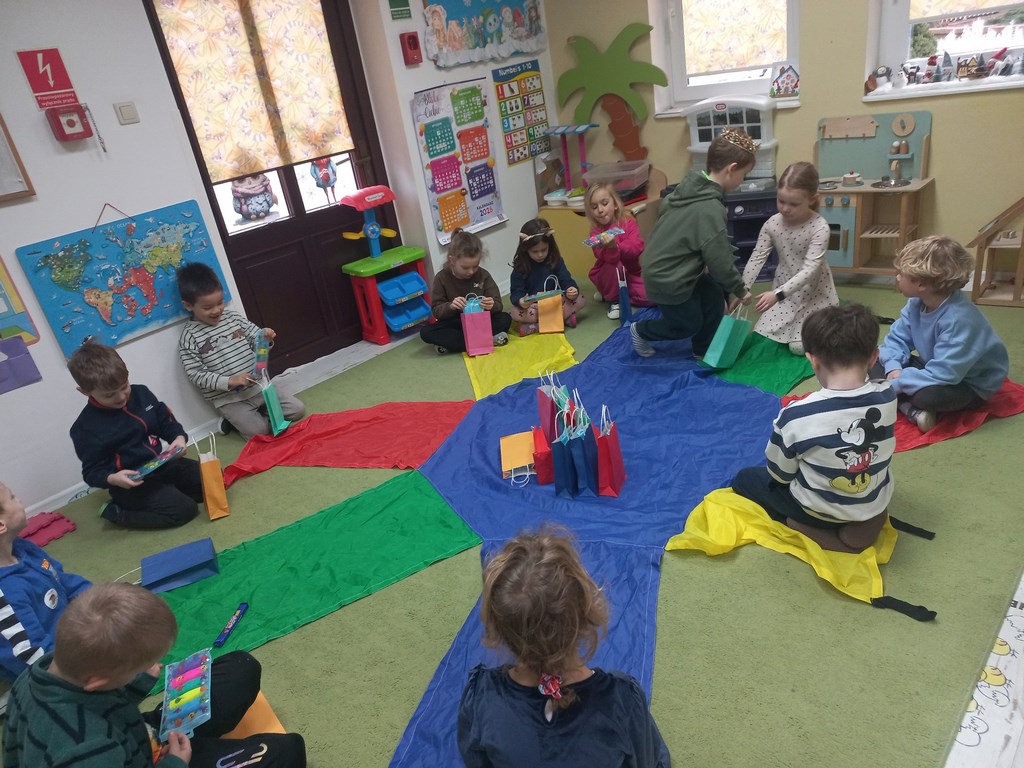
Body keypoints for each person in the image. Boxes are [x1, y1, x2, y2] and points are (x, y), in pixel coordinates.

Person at [2, 582, 306, 768]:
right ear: (98, 681)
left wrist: (136, 681)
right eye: (139, 667)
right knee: (286, 751)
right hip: (142, 756)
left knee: (241, 667)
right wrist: (174, 762)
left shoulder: (41, 673)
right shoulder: (89, 751)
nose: (155, 666)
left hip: (135, 736)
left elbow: (96, 703)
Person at [458, 527, 670, 767]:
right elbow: (644, 760)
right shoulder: (621, 701)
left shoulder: (482, 697)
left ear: (500, 631)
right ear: (585, 613)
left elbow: (476, 759)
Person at [731, 304, 896, 553]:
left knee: (746, 479)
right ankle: (866, 517)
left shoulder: (796, 415)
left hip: (817, 510)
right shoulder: (888, 395)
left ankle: (805, 525)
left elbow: (780, 475)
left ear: (813, 360)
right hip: (871, 497)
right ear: (874, 357)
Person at [630, 128, 755, 359]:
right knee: (687, 324)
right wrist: (739, 289)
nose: (743, 181)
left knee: (713, 294)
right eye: (744, 175)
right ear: (731, 169)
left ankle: (702, 349)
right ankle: (641, 330)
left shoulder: (688, 188)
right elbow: (719, 261)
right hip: (667, 278)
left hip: (681, 270)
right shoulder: (710, 209)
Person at [874, 235, 1009, 433]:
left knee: (927, 397)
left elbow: (945, 373)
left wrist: (896, 382)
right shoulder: (916, 303)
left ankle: (904, 404)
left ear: (921, 284)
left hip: (967, 382)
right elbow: (897, 339)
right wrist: (893, 368)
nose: (897, 278)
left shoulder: (958, 320)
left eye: (901, 274)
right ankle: (909, 408)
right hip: (936, 366)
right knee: (871, 357)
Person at [68, 341, 201, 529]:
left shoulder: (141, 393)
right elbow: (92, 472)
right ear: (84, 392)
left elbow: (166, 422)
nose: (121, 397)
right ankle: (118, 513)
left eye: (124, 387)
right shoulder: (85, 428)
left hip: (161, 465)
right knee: (186, 510)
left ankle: (169, 495)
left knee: (212, 480)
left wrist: (178, 438)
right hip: (131, 485)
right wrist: (112, 478)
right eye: (109, 395)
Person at [176, 262, 306, 440]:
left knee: (297, 410)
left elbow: (256, 340)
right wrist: (230, 381)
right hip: (230, 400)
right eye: (207, 307)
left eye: (220, 303)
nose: (216, 310)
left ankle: (258, 415)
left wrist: (265, 337)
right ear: (188, 306)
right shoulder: (190, 337)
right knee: (259, 433)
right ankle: (231, 421)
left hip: (260, 388)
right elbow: (196, 374)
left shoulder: (233, 318)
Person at [741, 161, 839, 355]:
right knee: (763, 334)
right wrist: (743, 287)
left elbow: (809, 271)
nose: (785, 208)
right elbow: (758, 256)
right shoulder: (772, 223)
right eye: (781, 201)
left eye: (793, 204)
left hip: (813, 292)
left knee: (798, 348)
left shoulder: (819, 227)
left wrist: (777, 294)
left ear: (812, 199)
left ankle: (830, 322)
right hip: (785, 288)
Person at [0, 481, 90, 684]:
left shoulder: (23, 548)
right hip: (52, 666)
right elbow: (34, 659)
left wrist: (102, 600)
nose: (19, 499)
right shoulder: (7, 595)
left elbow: (63, 581)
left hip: (71, 632)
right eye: (12, 497)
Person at [420, 227, 511, 353]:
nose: (471, 271)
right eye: (465, 267)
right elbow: (436, 311)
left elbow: (498, 305)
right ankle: (486, 340)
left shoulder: (483, 275)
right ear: (452, 260)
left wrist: (491, 305)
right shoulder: (441, 278)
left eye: (475, 266)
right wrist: (451, 306)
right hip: (456, 323)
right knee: (426, 332)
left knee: (505, 318)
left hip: (480, 321)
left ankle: (458, 344)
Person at [584, 182, 651, 320]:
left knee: (652, 296)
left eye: (604, 203)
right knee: (616, 266)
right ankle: (613, 300)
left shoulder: (629, 223)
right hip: (607, 276)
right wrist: (611, 248)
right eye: (594, 207)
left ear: (615, 204)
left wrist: (618, 246)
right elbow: (608, 258)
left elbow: (637, 247)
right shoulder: (596, 233)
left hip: (630, 275)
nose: (600, 210)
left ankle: (614, 294)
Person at [508, 219, 586, 336]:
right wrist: (521, 301)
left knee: (581, 298)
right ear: (525, 249)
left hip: (555, 303)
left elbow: (565, 279)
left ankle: (536, 326)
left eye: (544, 250)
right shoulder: (520, 267)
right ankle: (561, 319)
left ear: (550, 245)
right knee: (514, 312)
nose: (540, 255)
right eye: (534, 251)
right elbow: (516, 291)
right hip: (535, 307)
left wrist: (571, 289)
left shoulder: (555, 260)